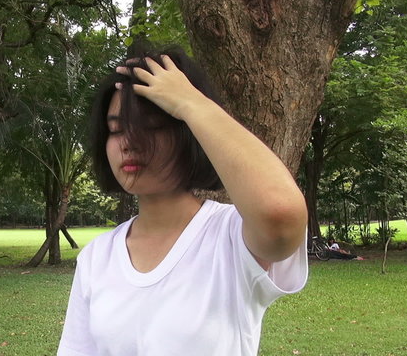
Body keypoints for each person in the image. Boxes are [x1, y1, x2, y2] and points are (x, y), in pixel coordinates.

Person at [57, 45, 309, 356]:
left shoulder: (232, 238)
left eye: (151, 126)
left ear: (188, 131)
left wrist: (190, 102)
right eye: (116, 129)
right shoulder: (97, 258)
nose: (129, 143)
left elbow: (280, 212)